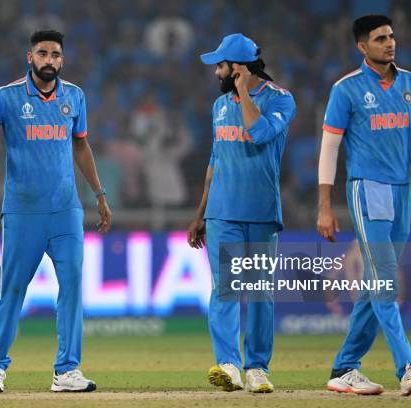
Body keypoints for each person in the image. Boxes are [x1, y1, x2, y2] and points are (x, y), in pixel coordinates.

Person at [317, 15, 411, 396]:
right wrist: (324, 205)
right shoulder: (346, 89)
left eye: (391, 36)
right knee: (385, 280)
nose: (390, 43)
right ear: (362, 47)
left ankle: (345, 368)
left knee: (375, 284)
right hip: (368, 190)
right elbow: (329, 148)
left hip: (402, 192)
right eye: (380, 38)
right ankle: (406, 367)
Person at [0, 29, 112, 393]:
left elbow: (81, 147)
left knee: (73, 288)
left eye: (56, 54)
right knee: (12, 290)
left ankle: (66, 371)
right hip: (22, 212)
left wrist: (99, 194)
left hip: (66, 212)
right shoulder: (7, 96)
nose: (50, 60)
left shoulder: (75, 97)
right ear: (30, 57)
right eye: (43, 53)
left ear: (62, 60)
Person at [187, 33, 296, 393]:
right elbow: (215, 161)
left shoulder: (281, 100)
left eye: (220, 65)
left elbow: (261, 133)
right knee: (226, 290)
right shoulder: (219, 106)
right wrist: (201, 213)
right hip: (223, 212)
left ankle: (257, 368)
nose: (215, 72)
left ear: (238, 68)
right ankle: (229, 364)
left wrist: (245, 93)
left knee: (261, 292)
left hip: (262, 210)